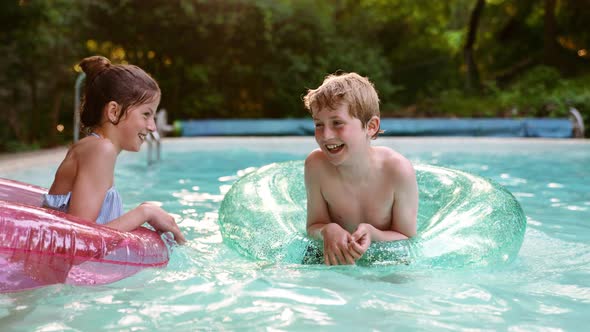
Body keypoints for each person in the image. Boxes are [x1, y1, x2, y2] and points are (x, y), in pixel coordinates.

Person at [43, 55, 186, 244]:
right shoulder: (101, 150)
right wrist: (145, 212)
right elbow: (80, 239)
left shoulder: (91, 147)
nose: (152, 126)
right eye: (146, 114)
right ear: (114, 111)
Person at [302, 72, 417, 265]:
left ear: (371, 127)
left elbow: (407, 238)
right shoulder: (316, 165)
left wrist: (374, 234)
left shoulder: (397, 170)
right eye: (318, 124)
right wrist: (327, 230)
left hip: (385, 261)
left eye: (337, 123)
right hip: (333, 255)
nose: (326, 135)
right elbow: (314, 225)